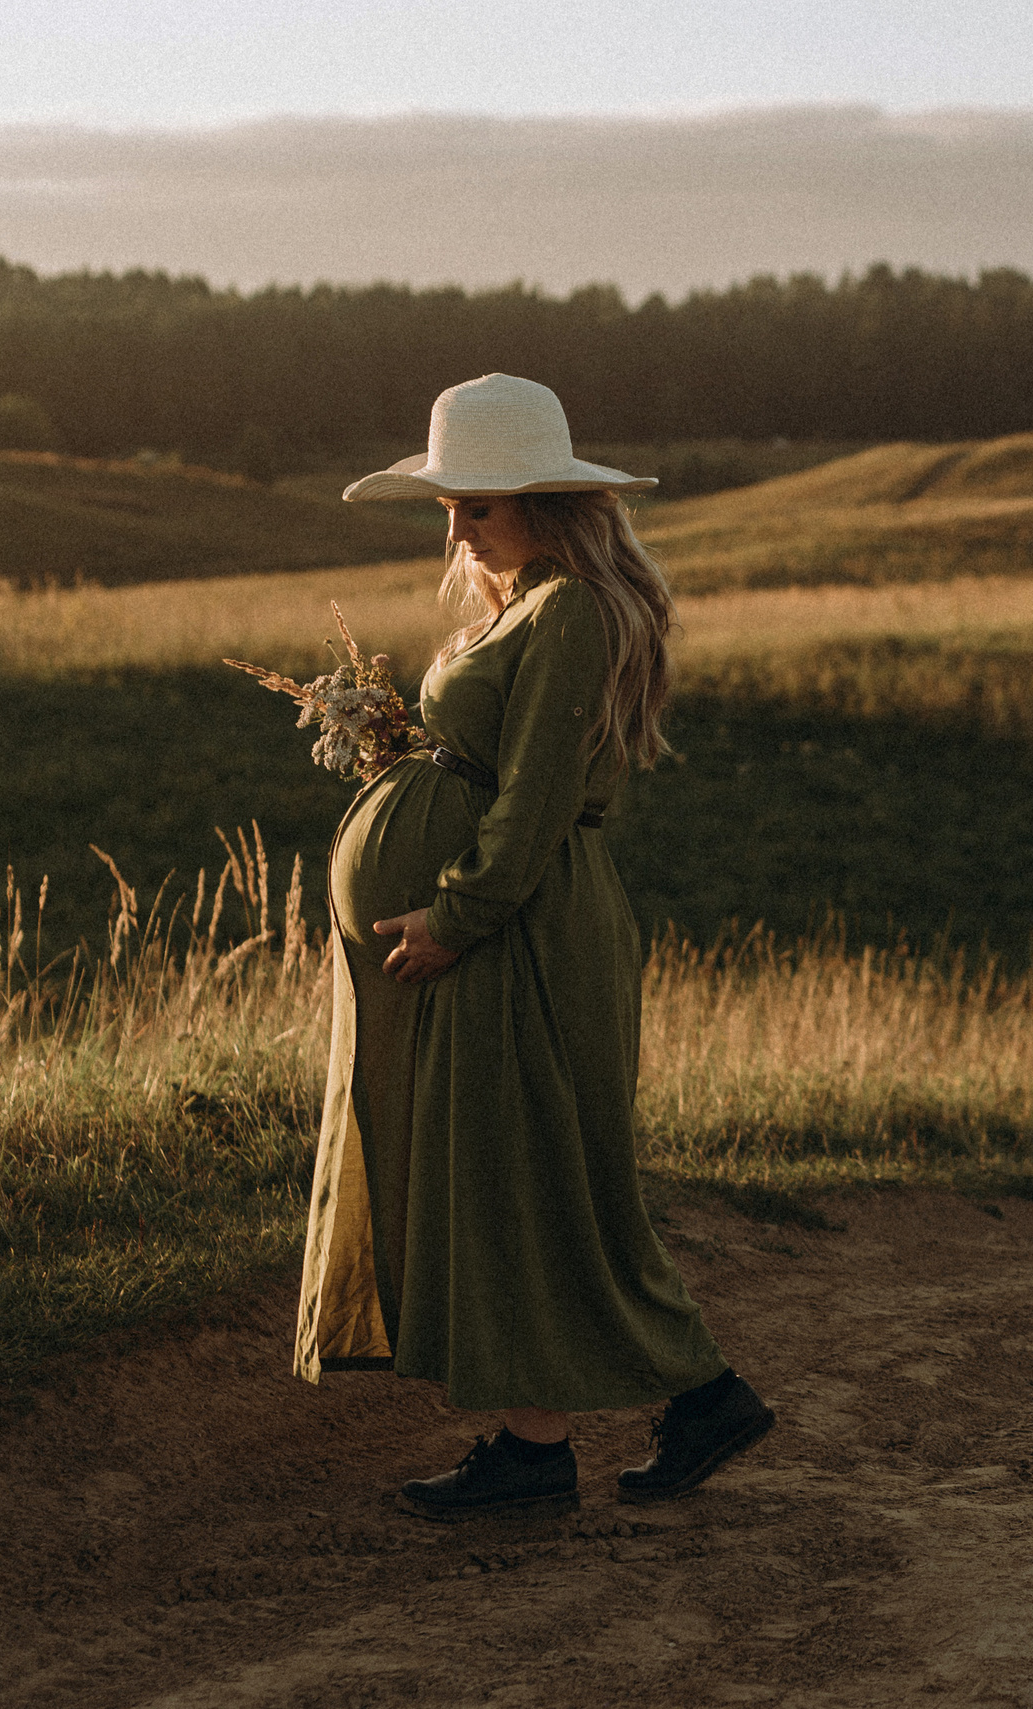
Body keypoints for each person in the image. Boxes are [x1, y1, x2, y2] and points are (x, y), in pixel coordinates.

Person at [292, 372, 774, 1518]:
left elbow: (535, 804)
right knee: (518, 1178)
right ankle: (540, 1443)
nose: (457, 527)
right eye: (451, 503)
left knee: (550, 1181)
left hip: (526, 933)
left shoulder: (570, 613)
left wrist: (456, 915)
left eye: (483, 507)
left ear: (553, 506)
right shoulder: (526, 606)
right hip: (508, 927)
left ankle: (683, 1399)